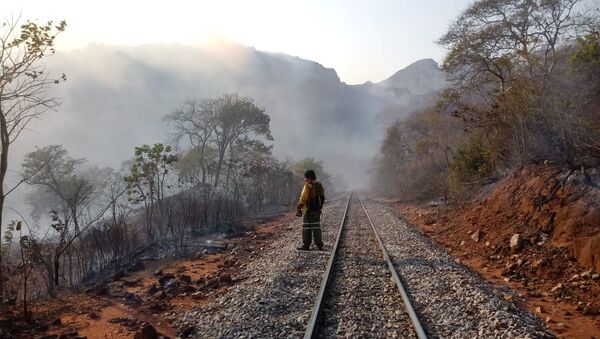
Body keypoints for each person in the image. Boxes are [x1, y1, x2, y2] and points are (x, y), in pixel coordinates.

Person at [296, 169, 325, 250]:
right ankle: (319, 244)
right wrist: (320, 207)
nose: (304, 179)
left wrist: (298, 208)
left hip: (307, 210)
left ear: (308, 177)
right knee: (316, 227)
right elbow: (322, 197)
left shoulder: (307, 186)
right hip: (316, 210)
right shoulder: (319, 185)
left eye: (305, 177)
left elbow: (303, 198)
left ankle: (306, 245)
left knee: (306, 228)